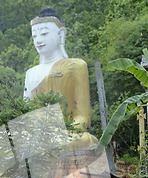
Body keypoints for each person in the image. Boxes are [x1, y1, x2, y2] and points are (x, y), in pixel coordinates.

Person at [24, 8, 95, 147]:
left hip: (68, 134)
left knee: (82, 140)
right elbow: (26, 115)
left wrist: (61, 131)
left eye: (44, 34)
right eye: (34, 36)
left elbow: (83, 118)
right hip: (37, 136)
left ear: (61, 33)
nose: (39, 40)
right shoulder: (30, 73)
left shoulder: (76, 66)